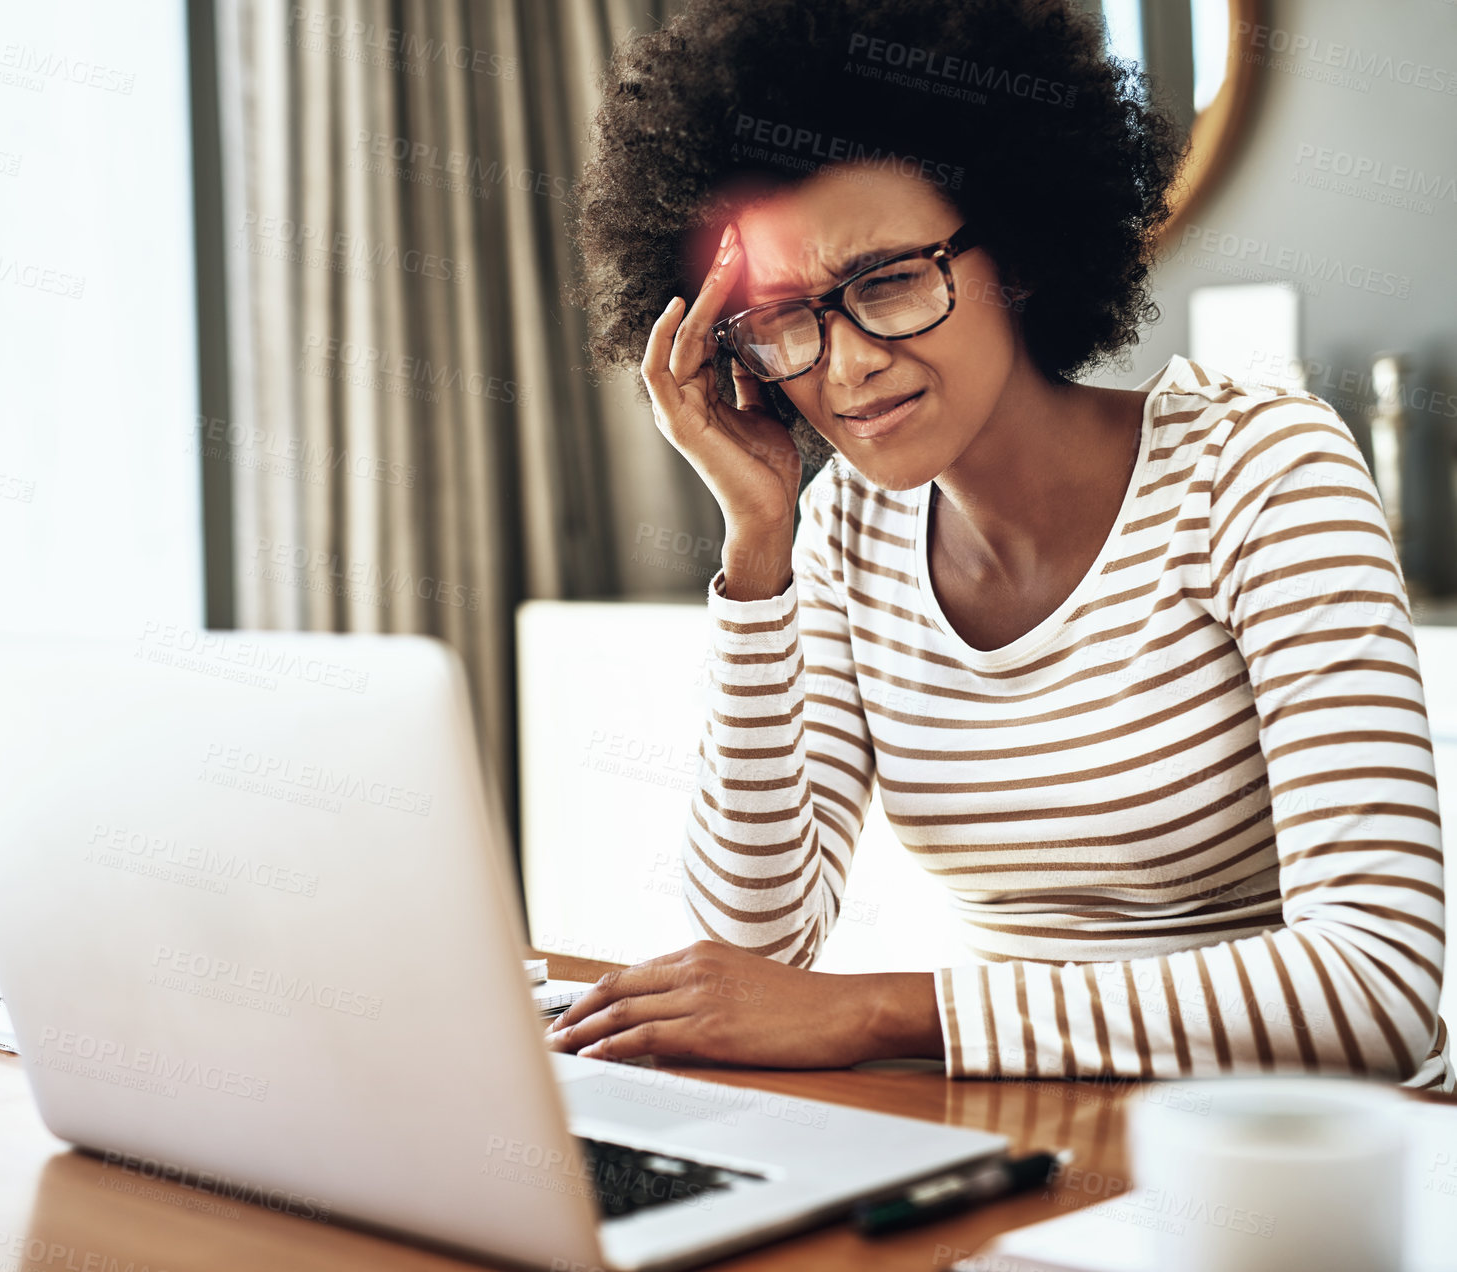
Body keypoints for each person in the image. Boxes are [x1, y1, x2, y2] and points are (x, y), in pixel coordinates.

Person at [546, 0, 1450, 1088]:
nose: (843, 370)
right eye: (784, 319)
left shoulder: (1259, 471)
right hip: (1027, 1141)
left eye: (885, 281)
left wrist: (881, 1013)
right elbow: (753, 952)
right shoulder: (839, 535)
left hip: (1295, 1165)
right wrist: (757, 547)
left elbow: (1375, 987)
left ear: (1014, 253)